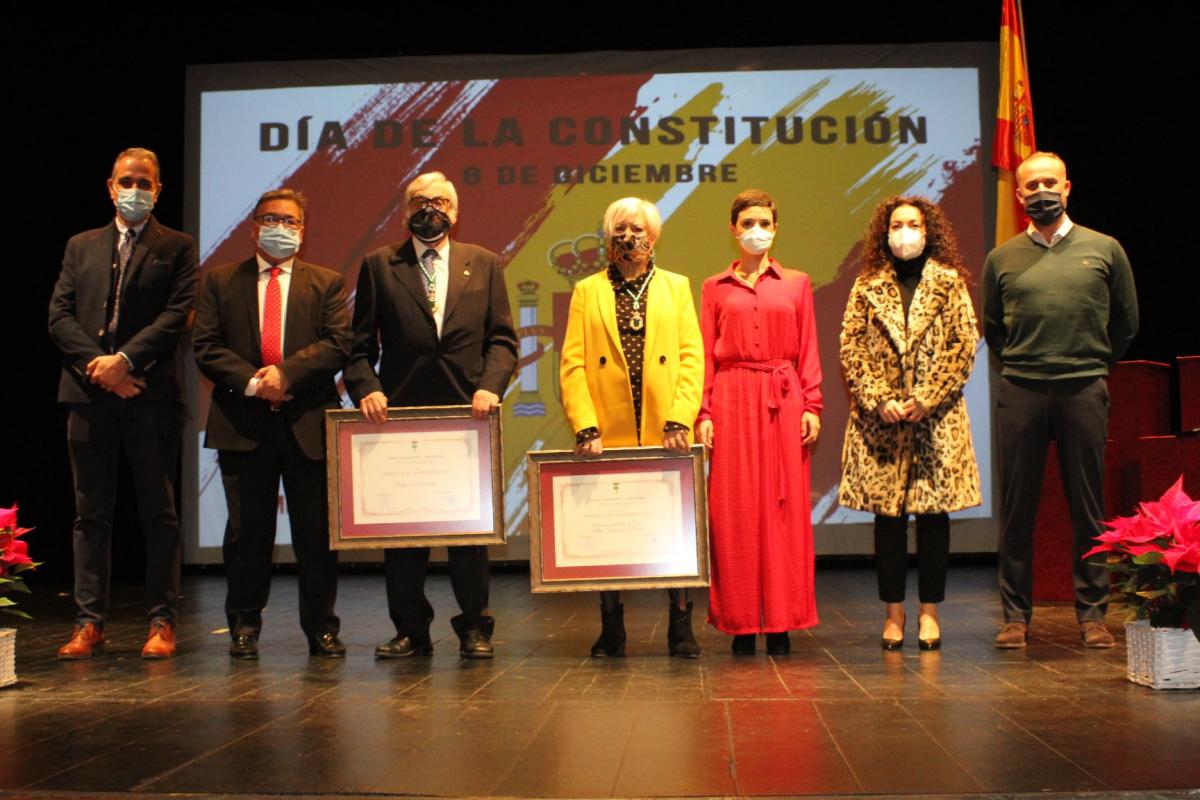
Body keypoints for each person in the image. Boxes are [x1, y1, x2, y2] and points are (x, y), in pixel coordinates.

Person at [345, 171, 517, 660]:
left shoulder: (483, 263)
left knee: (469, 533)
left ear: (455, 212)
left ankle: (474, 628)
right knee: (403, 537)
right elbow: (359, 348)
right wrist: (367, 390)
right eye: (420, 202)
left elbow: (502, 340)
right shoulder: (380, 265)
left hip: (468, 418)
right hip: (400, 419)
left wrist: (489, 387)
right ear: (404, 213)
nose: (430, 210)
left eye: (440, 202)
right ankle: (410, 630)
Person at [983, 151, 1138, 649]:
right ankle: (1015, 618)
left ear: (1067, 188)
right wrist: (1025, 367)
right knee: (1017, 508)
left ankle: (1093, 616)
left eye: (1050, 182)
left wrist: (1091, 365)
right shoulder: (1001, 258)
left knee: (1088, 508)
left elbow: (1126, 324)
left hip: (1083, 389)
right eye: (1032, 186)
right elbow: (993, 329)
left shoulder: (1105, 249)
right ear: (1019, 194)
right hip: (1022, 390)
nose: (1041, 192)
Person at [48, 147, 197, 659]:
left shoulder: (177, 247)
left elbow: (176, 316)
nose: (135, 189)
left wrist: (127, 363)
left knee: (159, 512)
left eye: (145, 182)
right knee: (91, 514)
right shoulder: (81, 245)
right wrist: (102, 368)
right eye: (126, 181)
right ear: (110, 186)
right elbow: (60, 316)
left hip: (150, 396)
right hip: (88, 395)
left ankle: (161, 622)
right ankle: (89, 622)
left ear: (159, 190)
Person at [193, 189, 351, 660]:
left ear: (303, 231)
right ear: (253, 226)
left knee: (316, 536)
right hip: (242, 425)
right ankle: (243, 625)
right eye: (270, 219)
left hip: (307, 425)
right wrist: (254, 382)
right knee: (246, 534)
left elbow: (337, 344)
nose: (280, 227)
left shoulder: (326, 283)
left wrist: (287, 375)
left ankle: (322, 628)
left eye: (290, 221)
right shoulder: (221, 281)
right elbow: (205, 345)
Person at [561, 197, 704, 658]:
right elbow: (573, 365)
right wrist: (585, 426)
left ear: (654, 235)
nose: (629, 237)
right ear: (608, 235)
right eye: (620, 228)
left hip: (667, 429)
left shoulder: (677, 287)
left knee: (673, 527)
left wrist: (681, 416)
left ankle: (680, 625)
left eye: (638, 228)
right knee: (610, 530)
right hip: (608, 431)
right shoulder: (587, 290)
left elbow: (690, 358)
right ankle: (611, 627)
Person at [838, 195, 981, 650]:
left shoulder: (949, 282)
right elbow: (851, 347)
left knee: (934, 520)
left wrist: (926, 397)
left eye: (913, 224)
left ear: (928, 230)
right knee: (889, 523)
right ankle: (894, 614)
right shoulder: (867, 284)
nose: (904, 232)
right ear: (886, 232)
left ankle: (930, 614)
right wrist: (878, 398)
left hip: (935, 421)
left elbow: (964, 343)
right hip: (882, 424)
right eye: (897, 224)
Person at [695, 189, 822, 656]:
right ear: (733, 229)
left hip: (783, 396)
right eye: (747, 222)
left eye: (764, 221)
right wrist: (704, 413)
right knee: (735, 510)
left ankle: (783, 620)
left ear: (775, 226)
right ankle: (742, 622)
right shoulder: (714, 287)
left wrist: (812, 405)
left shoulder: (797, 282)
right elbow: (706, 353)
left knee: (783, 510)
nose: (756, 230)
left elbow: (807, 347)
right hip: (732, 398)